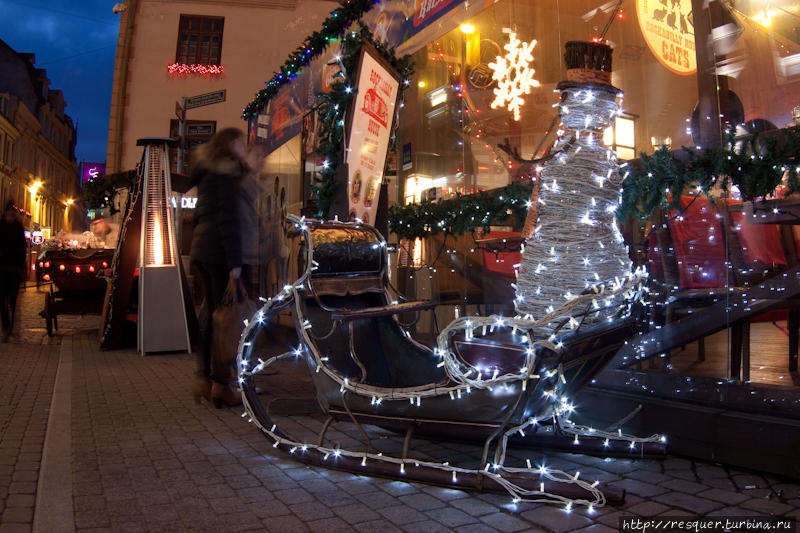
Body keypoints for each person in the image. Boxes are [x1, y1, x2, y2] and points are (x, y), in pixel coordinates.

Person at [189, 128, 249, 407]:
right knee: (223, 320)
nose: (243, 148)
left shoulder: (207, 174)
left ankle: (203, 378)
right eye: (241, 144)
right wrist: (235, 265)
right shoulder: (224, 173)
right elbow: (228, 220)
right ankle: (221, 385)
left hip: (201, 249)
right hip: (217, 252)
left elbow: (201, 214)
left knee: (210, 316)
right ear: (230, 145)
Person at [0, 201, 26, 342]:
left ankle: (11, 324)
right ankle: (6, 326)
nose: (11, 216)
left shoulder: (18, 227)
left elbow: (22, 247)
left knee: (13, 299)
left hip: (14, 269)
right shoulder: (1, 226)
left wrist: (21, 266)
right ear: (5, 214)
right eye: (9, 214)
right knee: (2, 300)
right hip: (2, 268)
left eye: (13, 214)